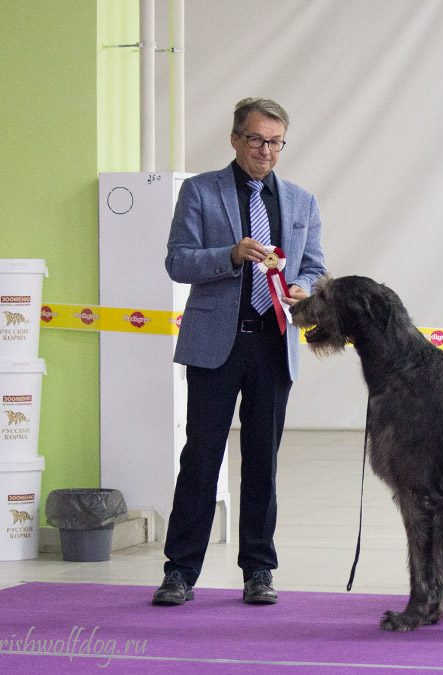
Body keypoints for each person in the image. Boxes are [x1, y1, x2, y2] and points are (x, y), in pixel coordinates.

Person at [153, 98, 326, 607]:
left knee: (262, 464)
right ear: (234, 138)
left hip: (274, 347)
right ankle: (180, 572)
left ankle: (259, 570)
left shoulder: (301, 202)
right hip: (215, 348)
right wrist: (229, 255)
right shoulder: (200, 191)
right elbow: (177, 262)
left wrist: (302, 288)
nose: (265, 150)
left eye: (275, 142)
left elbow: (315, 267)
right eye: (255, 139)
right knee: (201, 459)